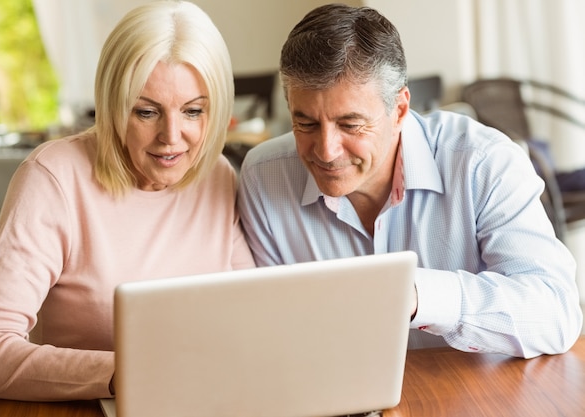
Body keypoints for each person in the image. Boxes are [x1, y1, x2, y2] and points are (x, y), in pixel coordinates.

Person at [238, 3, 583, 358]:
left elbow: (555, 315)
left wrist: (420, 295)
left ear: (400, 109)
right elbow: (272, 333)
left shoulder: (483, 162)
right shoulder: (265, 177)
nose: (326, 151)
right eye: (306, 123)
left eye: (351, 124)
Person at [0, 0, 254, 401]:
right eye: (147, 112)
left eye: (193, 111)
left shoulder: (215, 173)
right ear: (114, 106)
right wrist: (126, 373)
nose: (172, 136)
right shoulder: (54, 178)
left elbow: (251, 319)